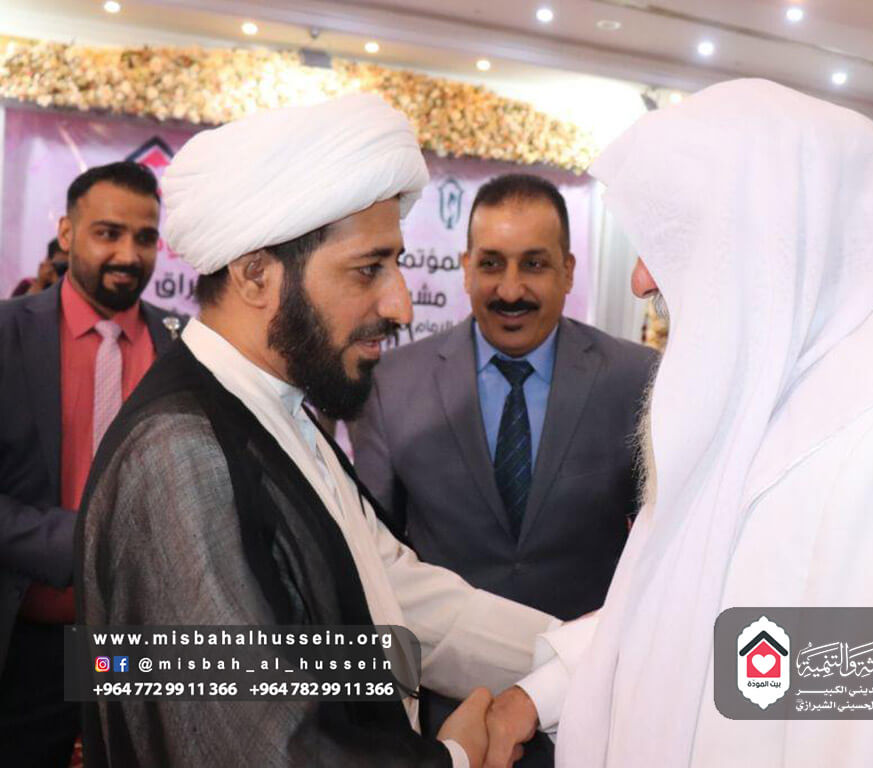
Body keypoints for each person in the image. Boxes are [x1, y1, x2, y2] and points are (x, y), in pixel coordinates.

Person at [482, 79, 873, 768]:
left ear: (766, 235)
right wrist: (540, 693)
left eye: (672, 239)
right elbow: (688, 606)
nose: (641, 280)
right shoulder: (761, 385)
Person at [76, 94, 554, 768]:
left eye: (396, 265)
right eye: (369, 268)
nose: (400, 304)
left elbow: (393, 596)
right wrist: (454, 758)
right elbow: (254, 743)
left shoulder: (275, 410)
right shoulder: (178, 453)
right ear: (256, 275)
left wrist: (579, 661)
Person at [350, 173, 656, 765]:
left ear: (568, 271)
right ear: (465, 268)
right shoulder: (390, 385)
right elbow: (375, 566)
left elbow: (658, 554)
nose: (510, 289)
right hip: (445, 723)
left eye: (534, 265)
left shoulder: (636, 379)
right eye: (491, 264)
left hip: (586, 713)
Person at [0, 161, 182, 766]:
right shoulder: (7, 335)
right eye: (108, 233)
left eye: (145, 237)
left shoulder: (184, 351)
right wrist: (84, 542)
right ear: (67, 232)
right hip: (26, 638)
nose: (128, 254)